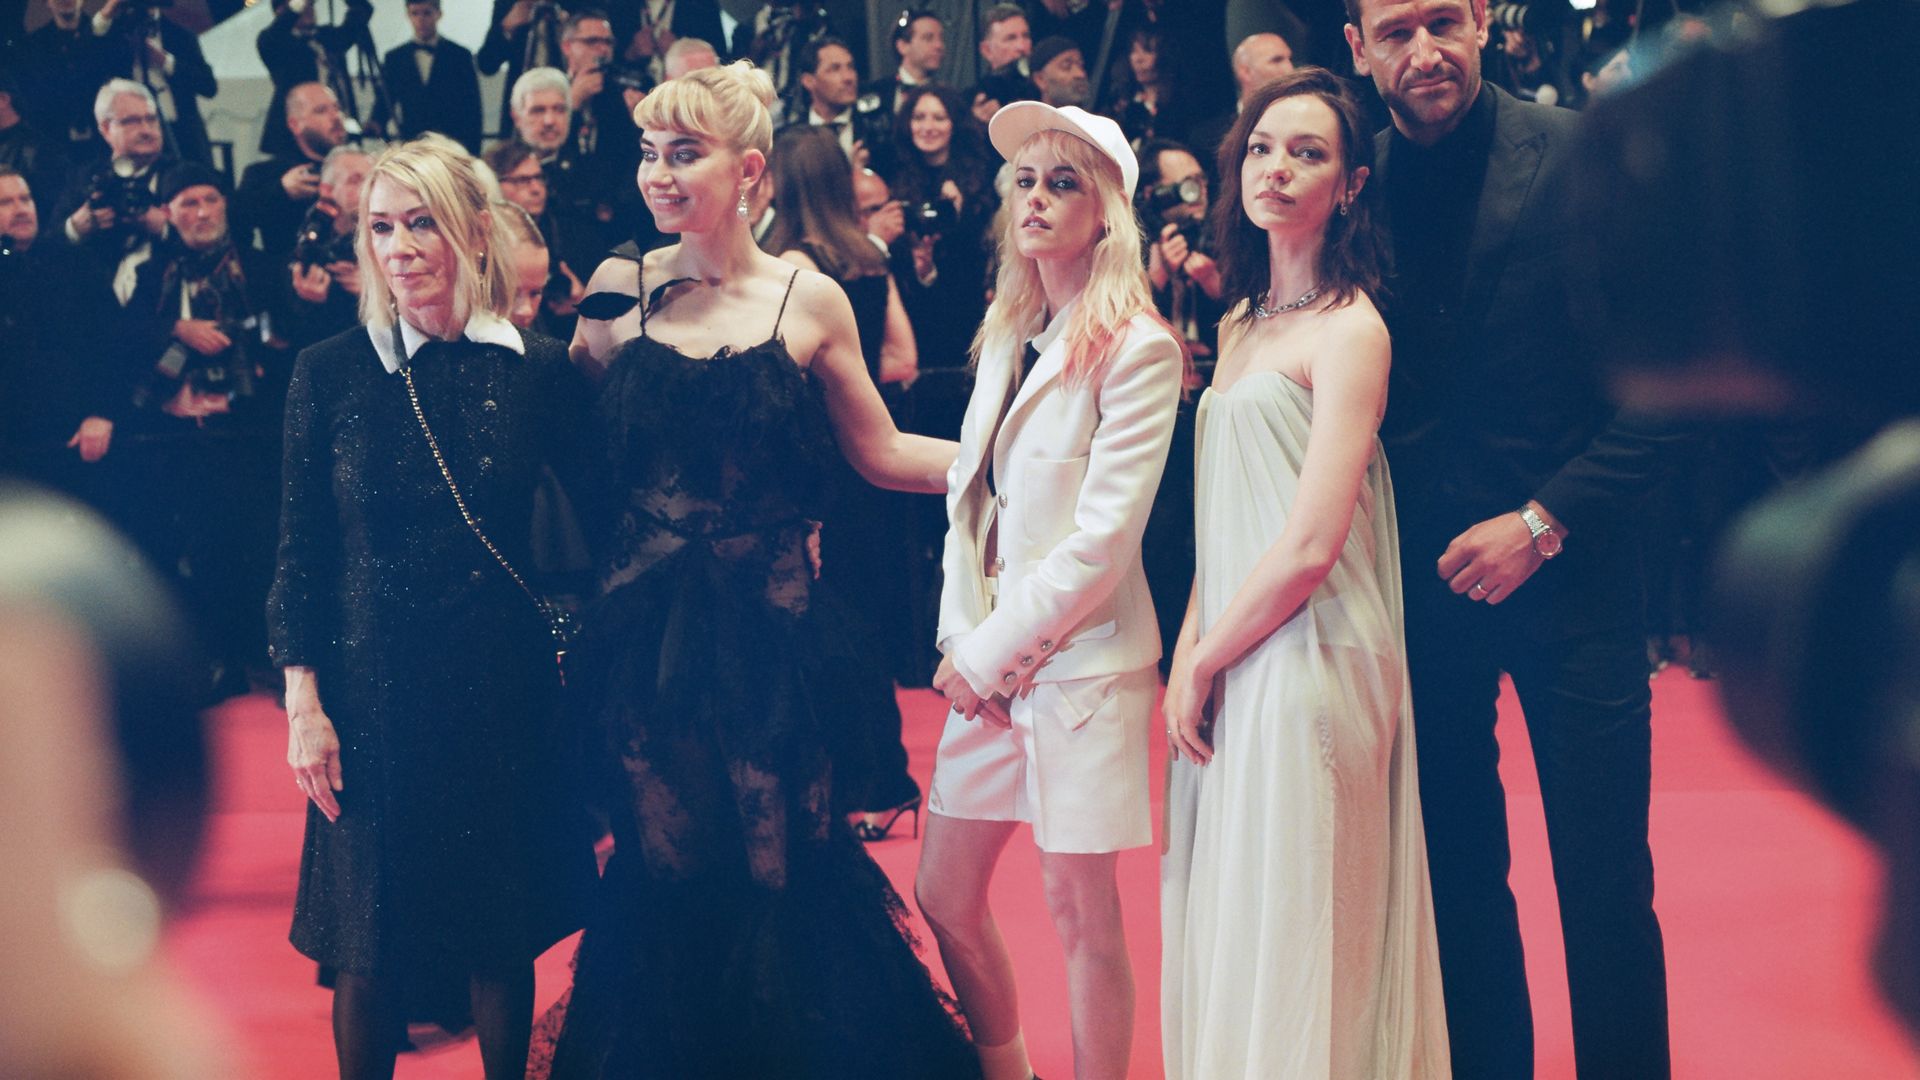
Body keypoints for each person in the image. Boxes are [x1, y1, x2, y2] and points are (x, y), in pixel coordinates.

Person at [535, 61, 977, 1079]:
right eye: (648, 152)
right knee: (666, 874)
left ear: (748, 170)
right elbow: (568, 453)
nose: (658, 173)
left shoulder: (809, 296)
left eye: (682, 153)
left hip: (777, 642)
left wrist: (1017, 465)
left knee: (789, 878)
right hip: (643, 647)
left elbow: (881, 452)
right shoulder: (614, 292)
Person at [1343, 0, 1684, 1074]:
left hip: (1575, 575)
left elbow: (1669, 385)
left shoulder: (1583, 150)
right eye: (1395, 32)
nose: (1425, 50)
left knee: (1604, 880)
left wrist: (1544, 522)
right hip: (1419, 592)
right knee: (1456, 877)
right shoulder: (1350, 185)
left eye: (1443, 20)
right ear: (1357, 49)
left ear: (1484, 20)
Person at [267, 139, 597, 1080]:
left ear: (474, 232)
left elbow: (605, 524)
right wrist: (303, 703)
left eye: (422, 224)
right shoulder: (328, 371)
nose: (400, 247)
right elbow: (299, 551)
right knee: (367, 945)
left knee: (500, 935)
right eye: (380, 227)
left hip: (500, 690)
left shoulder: (537, 371)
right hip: (368, 696)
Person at [1159, 68, 1451, 1079]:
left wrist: (1206, 658)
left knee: (1306, 931)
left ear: (1353, 182)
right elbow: (1223, 524)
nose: (1277, 169)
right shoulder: (1237, 323)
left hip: (1316, 658)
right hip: (1240, 646)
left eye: (1309, 153)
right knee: (1240, 913)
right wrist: (1193, 648)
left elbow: (1312, 542)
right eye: (1264, 147)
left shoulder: (1353, 329)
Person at [918, 102, 1183, 1080]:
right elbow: (967, 504)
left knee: (1080, 910)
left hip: (1083, 671)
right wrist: (961, 642)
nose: (1035, 199)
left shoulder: (1139, 348)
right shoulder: (1005, 333)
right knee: (944, 892)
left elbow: (1100, 547)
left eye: (1061, 182)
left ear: (1108, 211)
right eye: (1025, 182)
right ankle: (1009, 1068)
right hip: (987, 667)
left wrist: (984, 657)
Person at [764, 125, 923, 838]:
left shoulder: (792, 266)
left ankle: (871, 783)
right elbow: (901, 357)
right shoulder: (864, 257)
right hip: (871, 462)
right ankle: (879, 780)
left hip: (819, 468)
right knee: (860, 627)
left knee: (831, 633)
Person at [93, 0, 218, 166]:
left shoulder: (180, 35)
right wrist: (110, 9)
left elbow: (208, 86)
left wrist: (165, 61)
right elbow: (90, 44)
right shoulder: (117, 35)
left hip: (180, 132)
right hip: (130, 135)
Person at [232, 81, 347, 256]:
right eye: (321, 111)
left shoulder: (359, 165)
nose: (336, 117)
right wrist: (281, 190)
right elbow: (236, 220)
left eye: (336, 108)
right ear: (295, 124)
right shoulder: (267, 173)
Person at [256, 0, 373, 157]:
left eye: (311, 5)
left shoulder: (326, 36)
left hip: (337, 129)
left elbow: (362, 11)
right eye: (304, 6)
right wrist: (297, 6)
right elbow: (276, 33)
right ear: (281, 12)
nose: (309, 10)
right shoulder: (275, 43)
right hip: (296, 138)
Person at [377, 0, 484, 154]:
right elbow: (385, 100)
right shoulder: (395, 58)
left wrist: (473, 152)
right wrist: (376, 122)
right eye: (415, 13)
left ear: (438, 14)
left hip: (452, 144)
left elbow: (473, 108)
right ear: (408, 15)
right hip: (412, 143)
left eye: (427, 13)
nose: (421, 19)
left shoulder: (460, 55)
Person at [868, 9, 946, 117]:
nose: (939, 46)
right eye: (928, 38)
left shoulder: (949, 97)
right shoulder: (875, 93)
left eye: (941, 39)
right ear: (903, 46)